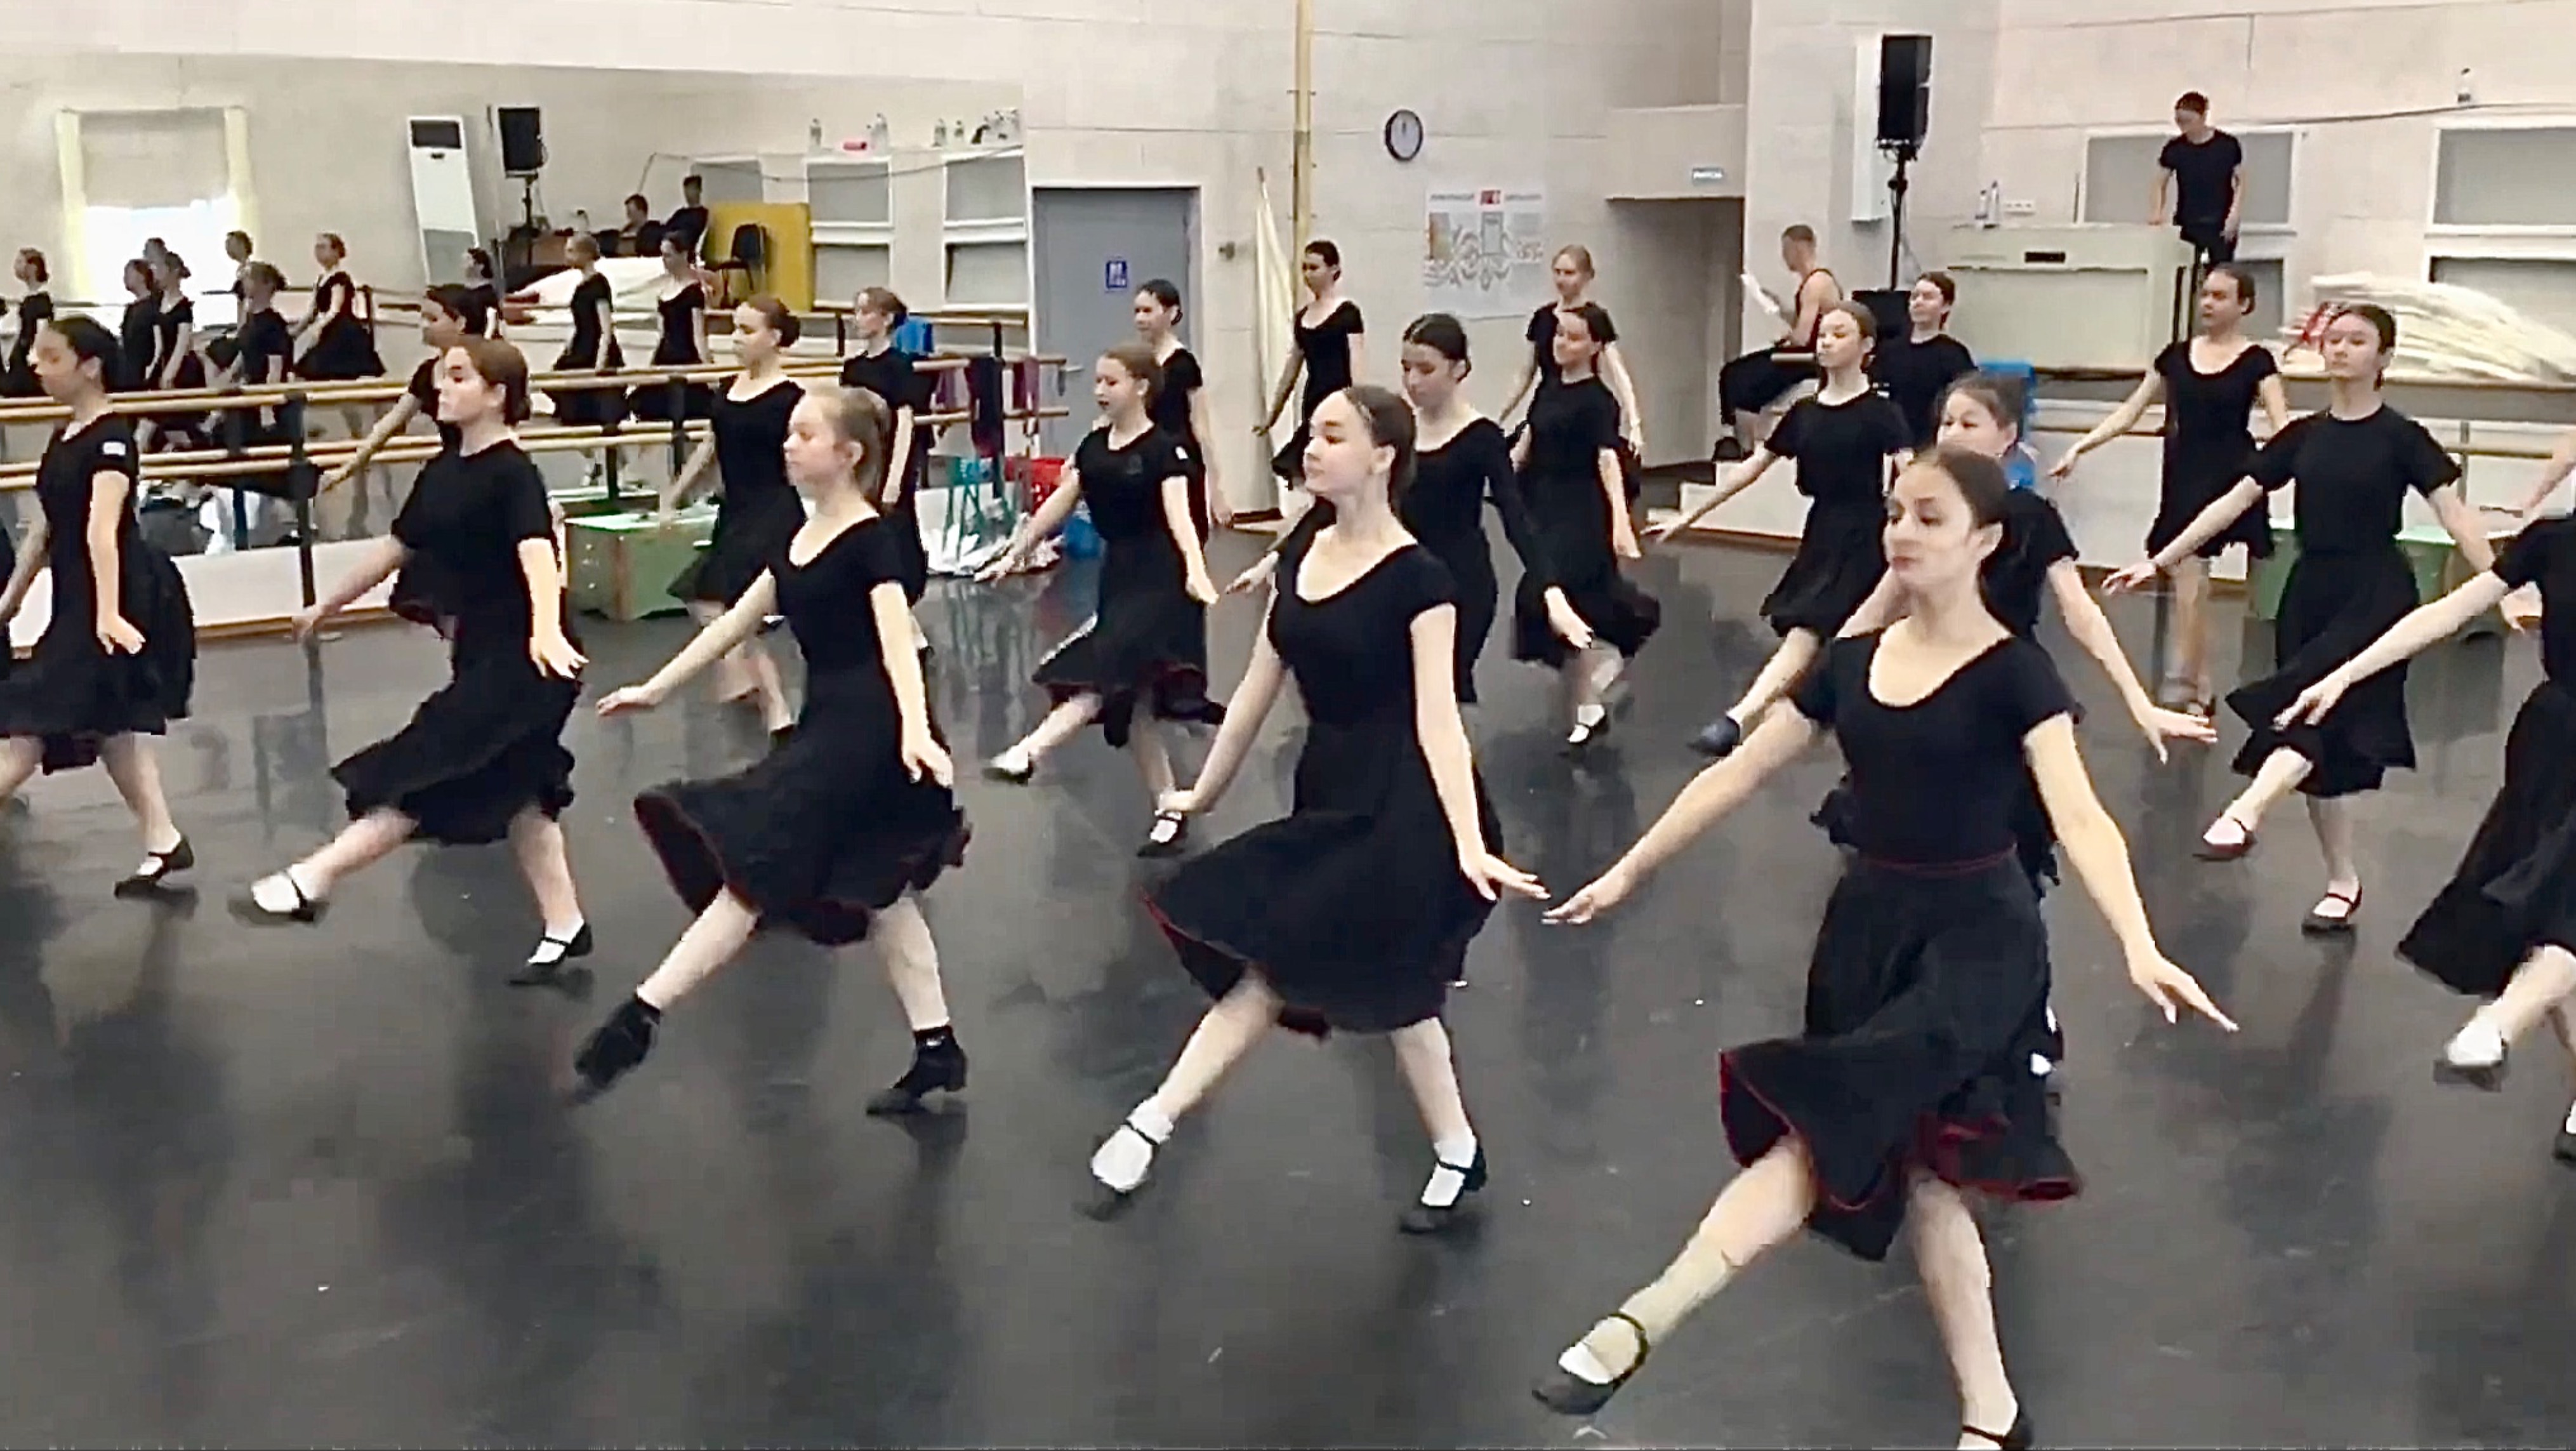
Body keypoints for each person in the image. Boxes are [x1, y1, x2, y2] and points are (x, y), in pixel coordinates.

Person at [1529, 444, 2235, 1446]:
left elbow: (2078, 816)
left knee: (1823, 1127)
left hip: (1977, 947)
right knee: (1927, 1178)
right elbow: (1737, 772)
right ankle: (1993, 1414)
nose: (1901, 532)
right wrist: (1628, 868)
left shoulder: (2014, 675)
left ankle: (1641, 1318)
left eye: (1928, 517)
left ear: (1985, 541)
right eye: (1895, 512)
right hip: (1865, 936)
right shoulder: (1850, 665)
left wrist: (2136, 941)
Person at [1084, 384, 1545, 1229]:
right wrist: (1201, 792)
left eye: (1333, 434)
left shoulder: (1422, 580)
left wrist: (1468, 840)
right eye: (1312, 433)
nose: (1312, 446)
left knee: (1278, 965)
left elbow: (1438, 721)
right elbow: (1256, 689)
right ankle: (1457, 1149)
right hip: (1328, 787)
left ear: (1382, 456)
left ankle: (1151, 1122)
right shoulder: (1301, 558)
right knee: (1397, 991)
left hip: (1403, 799)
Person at [576, 386, 970, 1108]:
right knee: (882, 894)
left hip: (871, 729)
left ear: (848, 454)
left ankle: (643, 1012)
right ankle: (937, 1048)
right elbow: (734, 625)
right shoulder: (799, 537)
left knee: (757, 869)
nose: (788, 445)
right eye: (789, 433)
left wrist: (916, 729)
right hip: (831, 721)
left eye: (805, 434)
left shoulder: (871, 540)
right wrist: (655, 688)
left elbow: (898, 642)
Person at [1726, 374, 2217, 883]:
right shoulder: (1922, 520)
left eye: (1969, 423)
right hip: (1926, 678)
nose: (1953, 434)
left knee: (2000, 834)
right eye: (1946, 423)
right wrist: (1811, 690)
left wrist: (2138, 702)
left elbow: (2080, 612)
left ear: (2006, 435)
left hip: (1998, 686)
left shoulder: (2029, 517)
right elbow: (1873, 611)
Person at [2106, 304, 2493, 934]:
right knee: (2324, 750)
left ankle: (2245, 811)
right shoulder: (2303, 436)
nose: (2339, 349)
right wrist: (2160, 559)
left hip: (2376, 592)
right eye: (2333, 340)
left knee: (2307, 710)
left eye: (2356, 341)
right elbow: (2233, 502)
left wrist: (2505, 585)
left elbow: (2456, 516)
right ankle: (2343, 881)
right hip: (2309, 591)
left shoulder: (2402, 437)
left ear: (2384, 357)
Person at [230, 338, 593, 985]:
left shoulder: (513, 472)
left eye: (458, 377)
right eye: (441, 377)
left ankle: (314, 877)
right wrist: (326, 605)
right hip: (483, 650)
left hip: (530, 660)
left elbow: (539, 553)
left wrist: (544, 630)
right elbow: (397, 547)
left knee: (428, 767)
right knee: (523, 790)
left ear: (497, 395)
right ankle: (566, 925)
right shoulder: (444, 470)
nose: (441, 387)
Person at [2277, 510, 2576, 1162]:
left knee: (2567, 904)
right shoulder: (2554, 540)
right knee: (2539, 912)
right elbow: (2446, 612)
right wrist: (2347, 673)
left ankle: (2496, 1025)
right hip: (2555, 743)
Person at [1233, 314, 1571, 706]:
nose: (1413, 381)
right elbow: (1337, 502)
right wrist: (1277, 557)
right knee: (1394, 695)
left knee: (1439, 695)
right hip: (1399, 575)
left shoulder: (1481, 438)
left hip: (1462, 583)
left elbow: (1515, 516)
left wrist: (1550, 589)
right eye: (1406, 368)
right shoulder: (1398, 430)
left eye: (1426, 370)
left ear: (1459, 369)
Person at [977, 344, 1220, 855]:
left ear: (1141, 387)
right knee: (1133, 702)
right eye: (1098, 382)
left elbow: (1180, 520)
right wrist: (1014, 552)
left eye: (1111, 382)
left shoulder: (1164, 450)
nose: (1100, 391)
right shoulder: (1093, 447)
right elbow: (1058, 505)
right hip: (1119, 576)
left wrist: (1197, 573)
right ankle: (1169, 806)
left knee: (1105, 668)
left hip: (1162, 579)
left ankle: (1029, 750)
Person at [0, 317, 197, 894]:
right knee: (110, 721)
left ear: (90, 367)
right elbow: (47, 528)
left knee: (32, 723)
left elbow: (100, 531)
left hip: (113, 592)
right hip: (78, 596)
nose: (36, 367)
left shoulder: (112, 439)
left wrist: (109, 614)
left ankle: (164, 838)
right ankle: (164, 839)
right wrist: (10, 600)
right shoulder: (66, 434)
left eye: (51, 357)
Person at [1662, 303, 1910, 758]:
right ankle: (1752, 718)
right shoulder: (1804, 412)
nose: (1826, 341)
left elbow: (1910, 474)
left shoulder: (1880, 412)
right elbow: (1752, 467)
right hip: (1822, 531)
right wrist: (1691, 514)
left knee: (1817, 632)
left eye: (1839, 333)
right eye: (1823, 333)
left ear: (1866, 346)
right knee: (1825, 634)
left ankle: (1741, 717)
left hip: (1867, 532)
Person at [2051, 264, 2288, 717]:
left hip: (2235, 477)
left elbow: (2282, 426)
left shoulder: (2257, 361)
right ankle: (2199, 683)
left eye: (2220, 296)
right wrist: (2082, 447)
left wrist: (2290, 469)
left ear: (2244, 305)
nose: (2208, 303)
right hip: (2184, 477)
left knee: (2229, 588)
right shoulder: (2175, 358)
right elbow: (2131, 411)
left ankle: (2236, 682)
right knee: (2188, 585)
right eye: (2205, 294)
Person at [1510, 303, 1658, 748]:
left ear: (1595, 346)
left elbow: (1607, 459)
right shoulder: (1548, 390)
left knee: (1557, 594)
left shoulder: (1598, 401)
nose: (1561, 344)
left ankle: (1607, 666)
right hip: (1545, 502)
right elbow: (1528, 441)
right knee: (1566, 604)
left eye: (1573, 338)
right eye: (1559, 335)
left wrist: (1620, 521)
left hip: (1582, 507)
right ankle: (1589, 703)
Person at [659, 296, 806, 736]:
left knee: (727, 603)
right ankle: (757, 688)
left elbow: (804, 457)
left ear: (774, 337)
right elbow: (710, 447)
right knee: (711, 603)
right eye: (734, 330)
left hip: (773, 509)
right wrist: (674, 495)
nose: (735, 339)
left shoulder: (791, 399)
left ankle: (771, 701)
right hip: (736, 509)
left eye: (747, 330)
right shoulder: (727, 389)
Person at [324, 283, 489, 495]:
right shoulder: (428, 372)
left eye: (433, 319)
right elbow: (391, 423)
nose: (423, 325)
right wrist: (347, 469)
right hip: (452, 467)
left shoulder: (488, 365)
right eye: (423, 318)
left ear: (461, 323)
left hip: (487, 467)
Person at [838, 288, 935, 606]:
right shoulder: (852, 368)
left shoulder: (899, 366)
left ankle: (904, 588)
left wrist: (895, 476)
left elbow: (905, 421)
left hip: (890, 455)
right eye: (856, 312)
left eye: (865, 312)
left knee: (897, 526)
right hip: (860, 457)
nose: (857, 319)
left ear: (886, 319)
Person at [1502, 246, 1646, 457]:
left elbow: (1618, 371)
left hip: (1583, 405)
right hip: (1548, 405)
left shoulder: (1594, 318)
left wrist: (1635, 422)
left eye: (1569, 273)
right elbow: (1525, 373)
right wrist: (1502, 415)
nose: (1561, 280)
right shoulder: (1543, 317)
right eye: (1557, 272)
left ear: (1587, 276)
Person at [1715, 224, 1840, 456]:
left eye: (1786, 250)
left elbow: (1803, 338)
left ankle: (1742, 444)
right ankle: (1738, 439)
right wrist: (1780, 309)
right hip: (1805, 353)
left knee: (1737, 376)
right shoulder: (1816, 283)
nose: (1784, 257)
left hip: (1807, 359)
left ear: (1797, 248)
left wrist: (1786, 341)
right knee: (1737, 375)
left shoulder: (1815, 284)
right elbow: (1806, 325)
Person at [1257, 239, 1366, 485]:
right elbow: (1291, 371)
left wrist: (1359, 407)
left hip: (1339, 397)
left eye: (1314, 268)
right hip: (1313, 399)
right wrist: (1273, 415)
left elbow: (1357, 365)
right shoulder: (1302, 318)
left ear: (1334, 271)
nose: (1307, 274)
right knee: (1308, 466)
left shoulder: (1347, 314)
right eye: (1304, 268)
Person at [1134, 279, 1229, 535]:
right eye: (1137, 311)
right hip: (1148, 457)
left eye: (1148, 311)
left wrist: (1216, 490)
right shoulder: (1140, 363)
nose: (1141, 319)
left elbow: (1201, 425)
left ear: (1171, 313)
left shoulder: (1183, 364)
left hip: (1179, 458)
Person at [1870, 272, 1976, 449]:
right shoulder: (1889, 351)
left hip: (1932, 443)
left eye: (1928, 297)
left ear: (1946, 306)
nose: (1918, 302)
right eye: (1914, 297)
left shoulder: (1954, 354)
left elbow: (1965, 402)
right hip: (1893, 442)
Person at [2153, 91, 2244, 268]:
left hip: (2220, 221)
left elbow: (2241, 181)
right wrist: (2158, 212)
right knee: (2186, 269)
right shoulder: (2175, 148)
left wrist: (2235, 214)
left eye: (2188, 121)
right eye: (2179, 121)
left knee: (2221, 270)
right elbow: (2159, 182)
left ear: (2203, 117)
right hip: (2187, 221)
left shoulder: (2227, 145)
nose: (2183, 126)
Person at [627, 234, 710, 424]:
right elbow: (662, 332)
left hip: (685, 356)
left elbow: (699, 334)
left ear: (683, 255)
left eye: (669, 255)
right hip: (665, 354)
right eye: (662, 255)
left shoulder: (694, 292)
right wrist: (650, 365)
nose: (664, 261)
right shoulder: (664, 289)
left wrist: (708, 367)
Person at [548, 234, 624, 430]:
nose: (567, 256)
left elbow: (605, 326)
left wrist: (601, 359)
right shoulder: (582, 285)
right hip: (581, 343)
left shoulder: (599, 284)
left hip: (594, 347)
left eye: (571, 251)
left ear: (586, 253)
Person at [4, 248, 56, 398]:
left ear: (33, 268)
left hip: (30, 356)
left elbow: (42, 326)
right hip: (24, 352)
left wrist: (35, 355)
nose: (16, 267)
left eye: (20, 262)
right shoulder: (29, 297)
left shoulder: (41, 299)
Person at [115, 258, 160, 394]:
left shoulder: (155, 306)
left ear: (141, 277)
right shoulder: (132, 309)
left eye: (128, 273)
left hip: (146, 370)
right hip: (131, 369)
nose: (125, 278)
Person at [665, 174, 711, 259]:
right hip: (669, 245)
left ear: (699, 190)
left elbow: (694, 234)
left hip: (684, 249)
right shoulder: (680, 213)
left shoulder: (702, 214)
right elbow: (667, 227)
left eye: (691, 189)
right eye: (686, 190)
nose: (687, 193)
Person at [463, 248, 502, 333]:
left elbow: (491, 323)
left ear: (480, 267)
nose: (463, 266)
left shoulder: (486, 294)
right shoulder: (466, 292)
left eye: (467, 261)